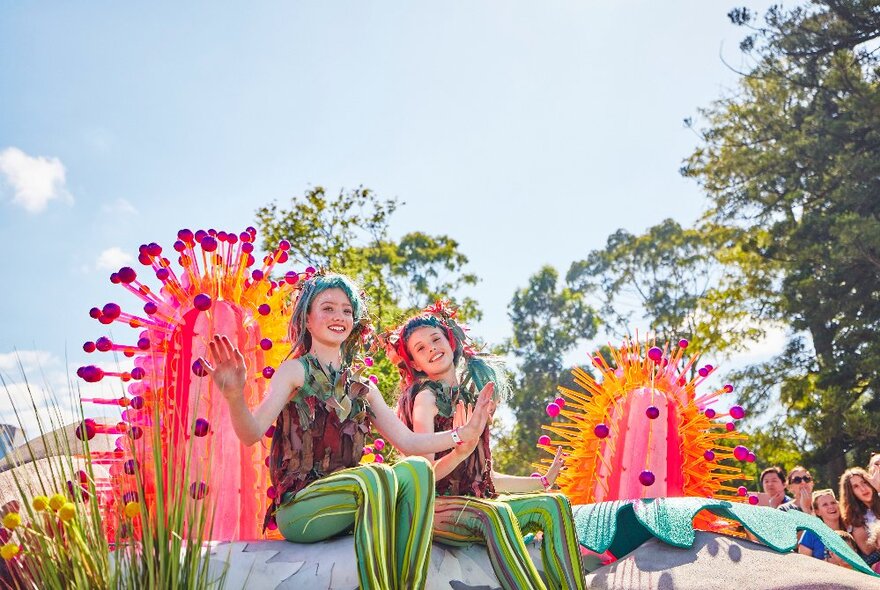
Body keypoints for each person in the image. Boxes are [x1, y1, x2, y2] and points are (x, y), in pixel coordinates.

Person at [200, 273, 494, 590]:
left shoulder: (362, 389)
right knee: (376, 475)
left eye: (346, 310)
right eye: (328, 308)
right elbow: (250, 432)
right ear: (307, 320)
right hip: (302, 509)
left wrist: (461, 435)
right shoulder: (296, 371)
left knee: (418, 468)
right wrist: (234, 396)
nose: (339, 316)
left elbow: (410, 442)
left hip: (352, 503)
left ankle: (409, 583)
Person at [384, 302, 586, 590]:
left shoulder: (470, 399)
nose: (431, 348)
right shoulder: (425, 398)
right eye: (420, 348)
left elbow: (483, 480)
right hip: (437, 509)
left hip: (477, 503)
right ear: (415, 363)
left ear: (450, 342)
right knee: (495, 514)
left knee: (555, 503)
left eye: (435, 339)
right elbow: (423, 475)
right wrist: (460, 451)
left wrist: (542, 482)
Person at [797, 489, 847, 565]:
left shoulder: (849, 528)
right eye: (825, 504)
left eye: (833, 503)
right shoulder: (810, 533)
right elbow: (803, 564)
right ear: (817, 512)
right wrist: (828, 562)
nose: (831, 506)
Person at [839, 467, 880, 558]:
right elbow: (867, 549)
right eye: (856, 486)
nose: (863, 488)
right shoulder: (853, 517)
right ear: (851, 493)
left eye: (864, 482)